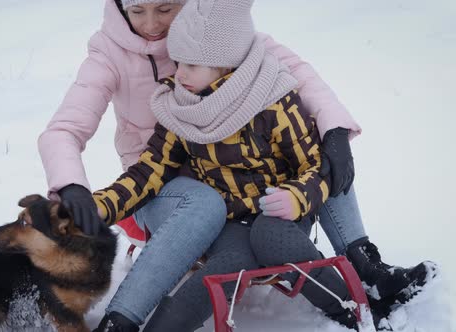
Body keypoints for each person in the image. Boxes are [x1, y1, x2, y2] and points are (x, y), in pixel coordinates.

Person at [37, 0, 434, 329]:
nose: (151, 25)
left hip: (262, 195)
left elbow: (304, 86)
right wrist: (80, 194)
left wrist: (334, 138)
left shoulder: (225, 34)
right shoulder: (142, 77)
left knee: (324, 148)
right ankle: (124, 319)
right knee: (211, 211)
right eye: (137, 10)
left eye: (164, 8)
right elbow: (90, 142)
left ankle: (364, 269)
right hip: (170, 187)